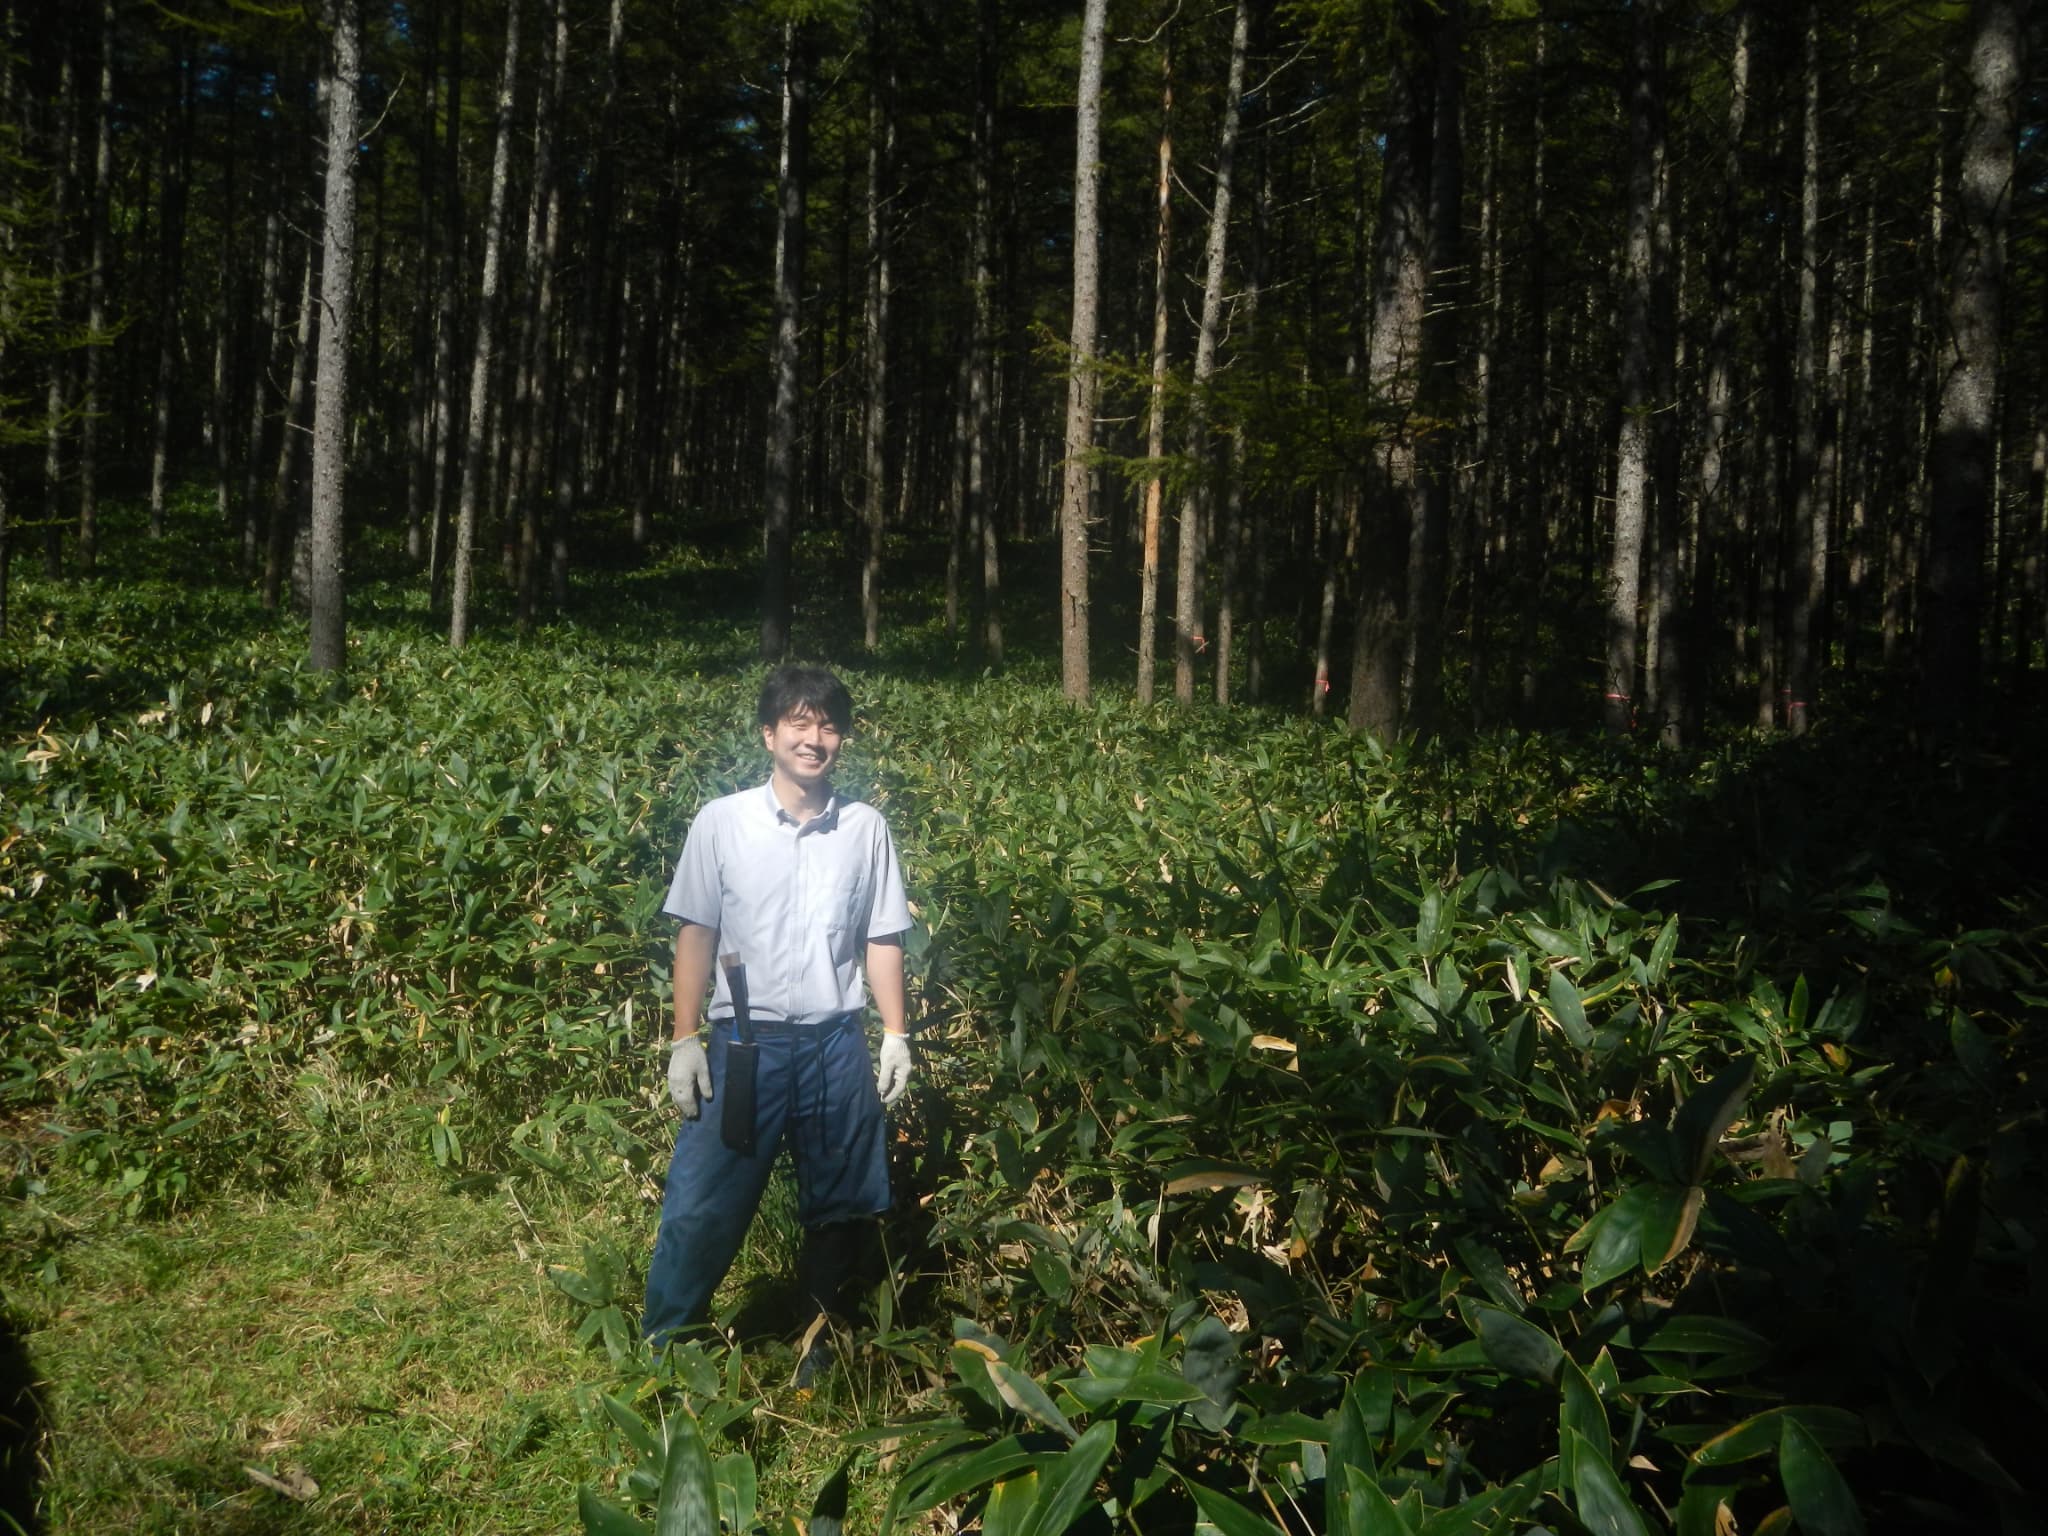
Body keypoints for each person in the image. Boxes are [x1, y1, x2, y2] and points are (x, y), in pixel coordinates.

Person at [642, 665, 914, 1355]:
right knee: (704, 1201)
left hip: (834, 1046)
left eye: (828, 726)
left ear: (842, 739)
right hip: (744, 1047)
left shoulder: (865, 829)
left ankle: (820, 1348)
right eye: (799, 723)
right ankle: (668, 1350)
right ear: (769, 734)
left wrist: (895, 1034)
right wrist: (684, 1039)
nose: (814, 739)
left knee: (842, 1205)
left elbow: (882, 936)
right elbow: (696, 932)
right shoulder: (722, 822)